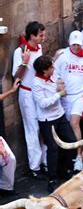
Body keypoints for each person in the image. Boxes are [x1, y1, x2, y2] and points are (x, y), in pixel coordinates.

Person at [32, 55, 77, 192]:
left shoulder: (52, 75)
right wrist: (59, 94)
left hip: (60, 115)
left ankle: (66, 170)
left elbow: (59, 80)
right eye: (51, 67)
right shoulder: (36, 83)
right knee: (53, 149)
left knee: (71, 141)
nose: (54, 68)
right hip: (47, 120)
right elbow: (43, 104)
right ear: (45, 70)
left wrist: (60, 83)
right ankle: (52, 179)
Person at [12, 21, 47, 179]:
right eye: (40, 35)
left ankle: (46, 162)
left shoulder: (39, 48)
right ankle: (35, 166)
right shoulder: (20, 51)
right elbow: (16, 76)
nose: (43, 38)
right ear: (32, 36)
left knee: (44, 126)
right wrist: (25, 62)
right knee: (33, 130)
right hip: (27, 94)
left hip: (40, 91)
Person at [53, 31, 83, 172]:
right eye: (74, 44)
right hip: (65, 96)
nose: (76, 47)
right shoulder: (62, 57)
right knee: (67, 127)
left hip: (80, 94)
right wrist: (59, 84)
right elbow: (55, 74)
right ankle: (67, 158)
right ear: (70, 43)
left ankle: (78, 157)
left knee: (75, 123)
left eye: (78, 45)